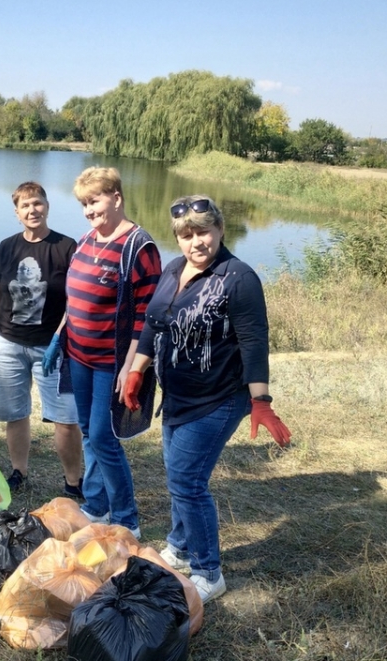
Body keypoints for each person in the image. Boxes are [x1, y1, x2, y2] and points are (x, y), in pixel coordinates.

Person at [124, 194, 292, 603]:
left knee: (188, 481)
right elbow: (152, 324)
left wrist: (261, 400)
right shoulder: (174, 269)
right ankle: (180, 548)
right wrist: (136, 370)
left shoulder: (238, 277)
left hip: (219, 397)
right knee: (177, 475)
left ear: (220, 229)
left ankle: (207, 571)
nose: (196, 242)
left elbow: (254, 341)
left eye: (204, 231)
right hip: (177, 396)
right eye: (187, 234)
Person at [62, 166, 162, 540]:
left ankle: (126, 518)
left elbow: (146, 315)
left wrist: (132, 366)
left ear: (116, 198)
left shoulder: (140, 246)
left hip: (111, 362)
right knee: (88, 430)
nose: (89, 210)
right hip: (80, 355)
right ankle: (95, 505)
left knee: (105, 437)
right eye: (85, 203)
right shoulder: (88, 239)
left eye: (96, 200)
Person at [0, 182, 84, 497]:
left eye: (37, 203)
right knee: (15, 413)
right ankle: (18, 472)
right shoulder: (7, 247)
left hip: (51, 347)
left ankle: (73, 483)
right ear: (17, 212)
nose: (32, 210)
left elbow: (76, 302)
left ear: (47, 205)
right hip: (6, 343)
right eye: (25, 206)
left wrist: (60, 339)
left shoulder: (67, 247)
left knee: (65, 418)